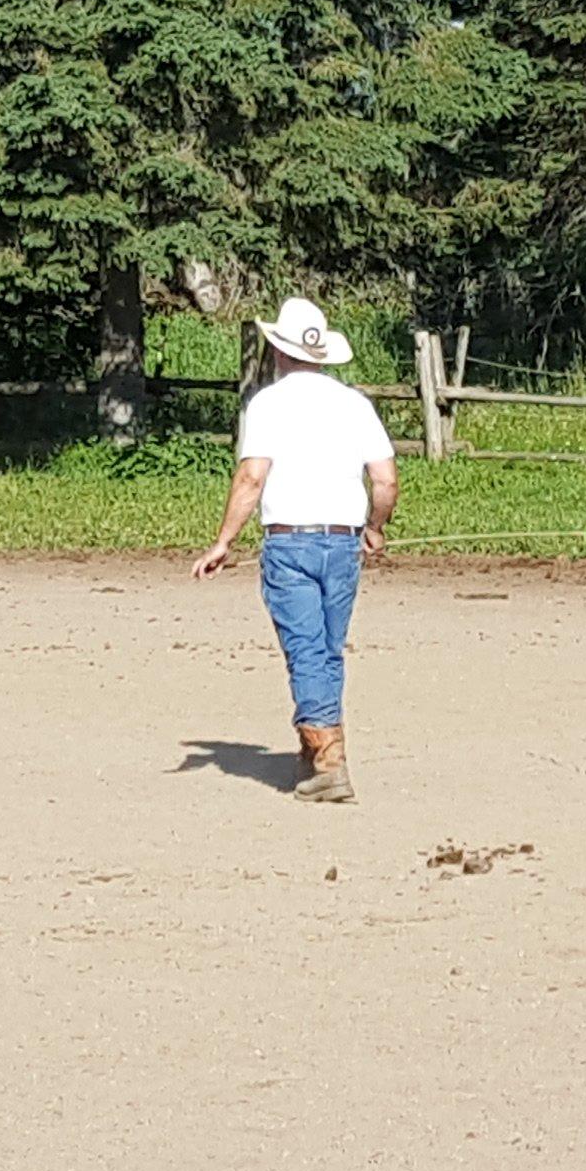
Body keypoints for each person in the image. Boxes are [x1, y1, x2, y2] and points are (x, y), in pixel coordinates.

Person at [186, 296, 397, 804]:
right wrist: (374, 527)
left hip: (289, 542)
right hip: (342, 542)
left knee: (306, 651)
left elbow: (251, 477)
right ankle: (317, 749)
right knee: (326, 651)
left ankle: (328, 762)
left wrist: (223, 541)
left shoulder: (267, 404)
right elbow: (386, 480)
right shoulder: (356, 404)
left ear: (278, 350)